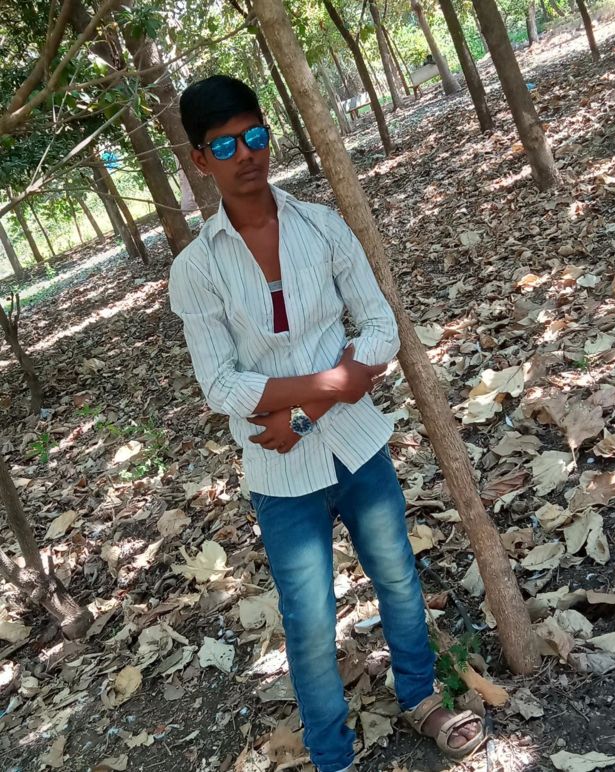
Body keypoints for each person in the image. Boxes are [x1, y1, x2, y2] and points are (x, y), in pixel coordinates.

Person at [169, 74, 484, 772]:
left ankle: (421, 697)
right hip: (279, 472)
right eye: (225, 145)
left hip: (356, 445)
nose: (247, 155)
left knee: (397, 578)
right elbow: (221, 385)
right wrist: (339, 380)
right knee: (309, 623)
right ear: (200, 160)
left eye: (255, 136)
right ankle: (332, 756)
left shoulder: (321, 225)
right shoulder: (196, 268)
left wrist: (310, 409)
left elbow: (379, 329)